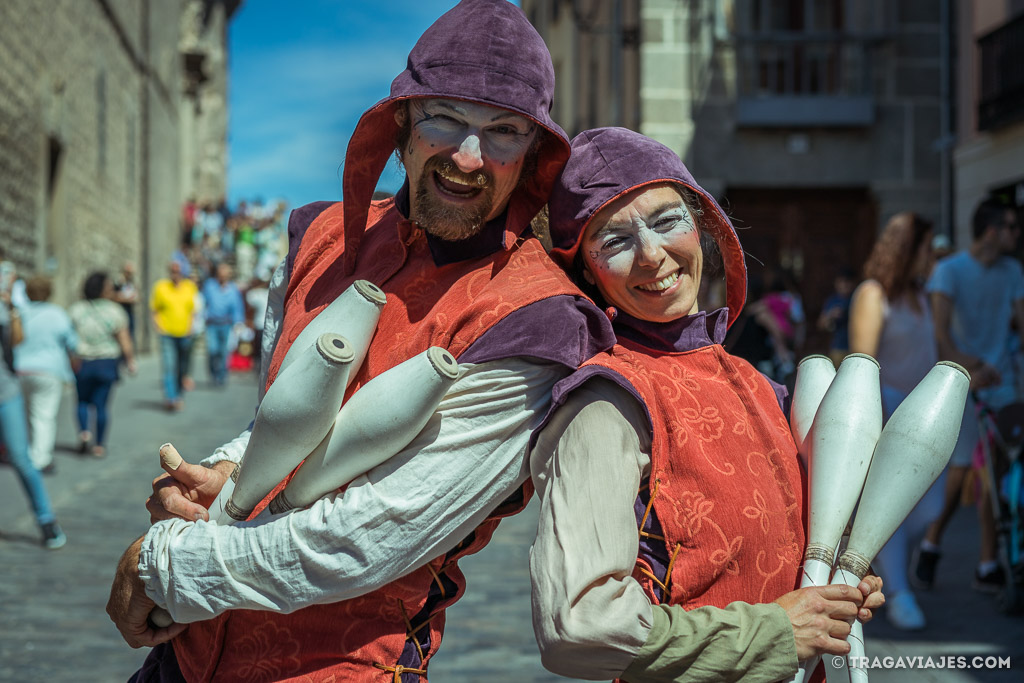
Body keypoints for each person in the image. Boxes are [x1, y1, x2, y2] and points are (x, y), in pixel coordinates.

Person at [106, 1, 612, 680]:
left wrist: (165, 564)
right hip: (187, 655)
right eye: (446, 118)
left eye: (504, 131)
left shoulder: (538, 320)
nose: (469, 156)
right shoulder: (320, 240)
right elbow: (278, 413)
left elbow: (371, 535)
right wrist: (231, 470)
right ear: (402, 125)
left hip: (341, 666)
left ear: (531, 157)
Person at [529, 127, 882, 682]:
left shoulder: (761, 386)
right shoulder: (606, 403)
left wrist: (836, 591)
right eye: (614, 240)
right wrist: (774, 632)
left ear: (702, 225)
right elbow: (578, 625)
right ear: (586, 271)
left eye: (668, 220)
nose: (651, 255)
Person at [914, 198, 1024, 593]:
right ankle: (931, 542)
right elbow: (940, 336)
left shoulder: (1012, 271)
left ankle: (988, 563)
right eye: (1013, 227)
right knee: (962, 474)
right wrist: (972, 367)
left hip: (1005, 384)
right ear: (994, 231)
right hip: (965, 383)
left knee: (997, 473)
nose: (1017, 235)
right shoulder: (949, 271)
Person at [848, 212, 939, 630]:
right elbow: (863, 362)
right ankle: (900, 593)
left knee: (929, 506)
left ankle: (884, 574)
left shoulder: (923, 296)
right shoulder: (873, 293)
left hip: (926, 419)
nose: (932, 258)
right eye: (927, 248)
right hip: (889, 412)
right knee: (892, 508)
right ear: (909, 249)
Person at [0, 286, 67, 548]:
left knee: (20, 456)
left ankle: (46, 520)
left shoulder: (6, 308)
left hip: (5, 392)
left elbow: (17, 339)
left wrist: (12, 309)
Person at [67, 272, 136, 458]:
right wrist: (130, 360)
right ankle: (99, 445)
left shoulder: (76, 310)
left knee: (82, 400)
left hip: (83, 361)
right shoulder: (115, 311)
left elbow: (69, 339)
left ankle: (84, 432)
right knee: (101, 405)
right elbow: (124, 339)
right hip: (106, 361)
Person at [13, 275, 78, 473]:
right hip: (48, 371)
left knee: (26, 414)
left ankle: (27, 452)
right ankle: (41, 458)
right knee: (44, 415)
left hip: (20, 369)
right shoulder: (57, 314)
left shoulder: (19, 313)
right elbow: (72, 343)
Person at [150, 261, 197, 411]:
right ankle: (171, 397)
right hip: (167, 333)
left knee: (182, 366)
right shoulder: (161, 287)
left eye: (178, 271)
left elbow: (192, 311)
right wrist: (158, 327)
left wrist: (191, 327)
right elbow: (154, 309)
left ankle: (178, 392)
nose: (175, 274)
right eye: (172, 271)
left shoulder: (190, 287)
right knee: (169, 366)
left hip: (185, 333)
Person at [200, 262, 244, 386]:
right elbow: (202, 302)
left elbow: (237, 307)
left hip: (226, 324)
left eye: (225, 274)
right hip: (212, 324)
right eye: (220, 273)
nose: (222, 276)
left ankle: (221, 375)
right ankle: (213, 372)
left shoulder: (233, 289)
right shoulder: (209, 286)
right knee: (213, 350)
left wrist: (238, 323)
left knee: (224, 351)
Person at [817, 267, 855, 366]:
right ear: (836, 283)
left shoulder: (856, 299)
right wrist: (831, 314)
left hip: (855, 349)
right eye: (841, 282)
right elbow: (820, 324)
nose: (844, 285)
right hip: (838, 348)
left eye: (847, 282)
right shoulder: (832, 301)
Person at [113, 261, 140, 344]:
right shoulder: (118, 283)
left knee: (130, 335)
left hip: (129, 312)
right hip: (119, 311)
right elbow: (114, 297)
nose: (129, 275)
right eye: (128, 272)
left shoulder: (131, 284)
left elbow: (137, 297)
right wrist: (127, 299)